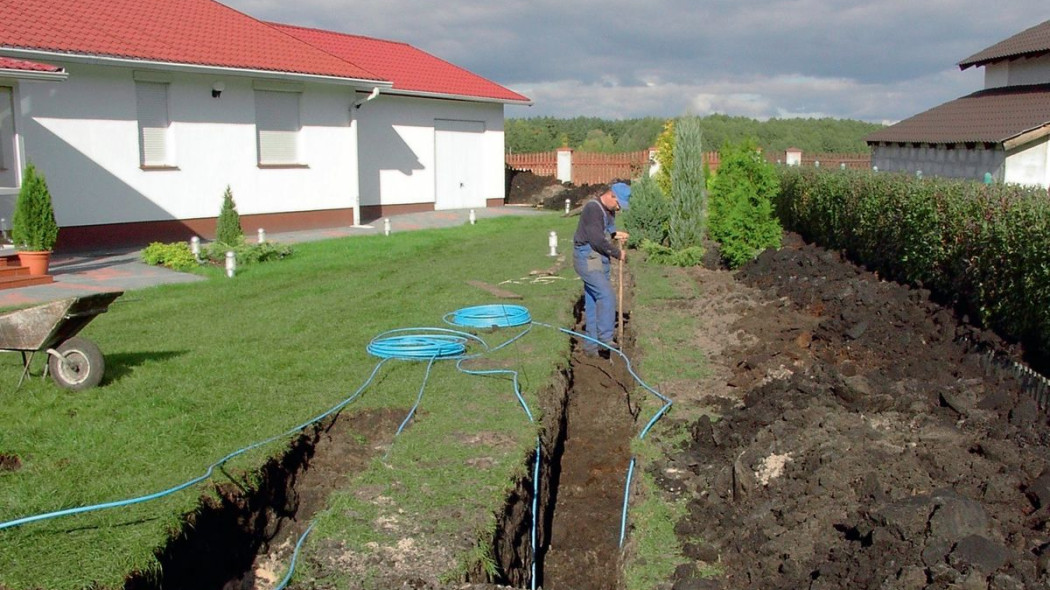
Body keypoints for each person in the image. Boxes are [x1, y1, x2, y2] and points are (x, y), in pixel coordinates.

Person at [573, 181, 630, 356]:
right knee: (606, 295)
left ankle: (591, 347)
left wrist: (614, 234)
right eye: (618, 203)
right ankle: (606, 338)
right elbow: (596, 240)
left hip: (597, 256)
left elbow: (603, 231)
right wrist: (617, 253)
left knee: (592, 301)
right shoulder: (593, 209)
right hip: (588, 256)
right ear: (611, 195)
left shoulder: (608, 210)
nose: (619, 208)